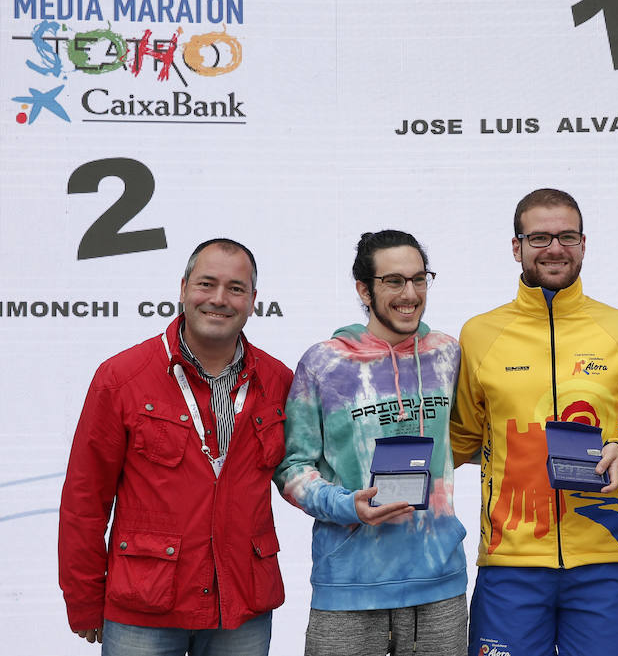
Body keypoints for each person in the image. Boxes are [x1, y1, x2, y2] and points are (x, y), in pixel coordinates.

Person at [58, 239, 292, 656]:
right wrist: (84, 599)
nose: (219, 299)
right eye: (206, 284)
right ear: (183, 288)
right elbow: (84, 500)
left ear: (253, 300)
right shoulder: (121, 378)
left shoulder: (278, 381)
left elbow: (304, 471)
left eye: (236, 288)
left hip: (241, 606)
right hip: (143, 607)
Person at [450, 188, 618, 656]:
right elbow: (461, 438)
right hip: (510, 562)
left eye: (567, 236)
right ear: (517, 246)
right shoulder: (479, 334)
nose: (555, 248)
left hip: (603, 558)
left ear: (584, 243)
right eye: (539, 237)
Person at [275, 230, 467, 656]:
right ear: (364, 290)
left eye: (419, 279)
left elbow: (471, 436)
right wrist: (348, 505)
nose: (410, 294)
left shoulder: (447, 354)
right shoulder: (324, 362)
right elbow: (292, 468)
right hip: (349, 586)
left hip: (438, 582)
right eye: (394, 281)